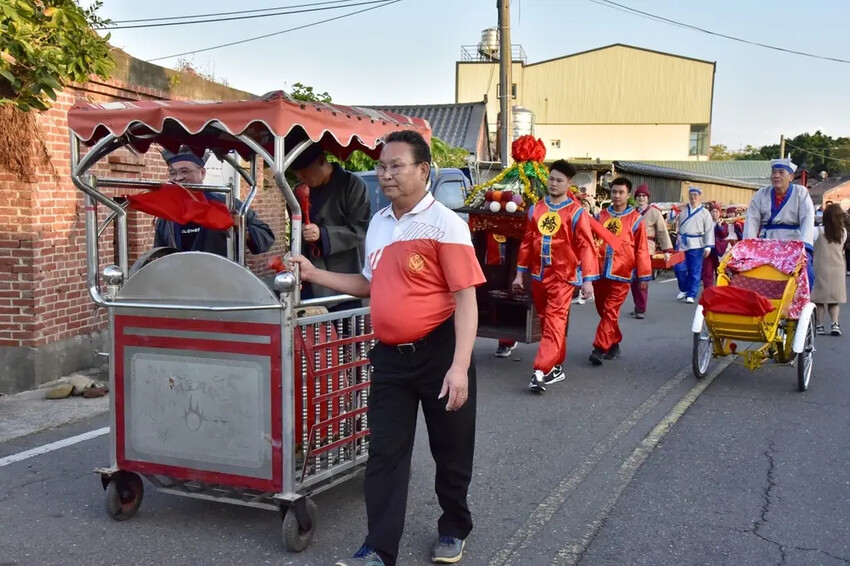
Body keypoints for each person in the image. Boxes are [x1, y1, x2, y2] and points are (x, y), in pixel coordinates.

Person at [291, 130, 483, 566]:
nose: (386, 174)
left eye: (396, 166)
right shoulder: (379, 223)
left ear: (423, 170)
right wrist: (315, 274)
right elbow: (370, 284)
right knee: (385, 453)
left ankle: (454, 526)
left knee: (450, 450)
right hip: (391, 358)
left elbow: (466, 298)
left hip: (441, 351)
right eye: (382, 166)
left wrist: (459, 366)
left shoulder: (445, 225)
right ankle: (379, 548)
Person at [512, 160, 598, 392]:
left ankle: (540, 370)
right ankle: (556, 367)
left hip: (563, 276)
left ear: (568, 184)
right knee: (547, 320)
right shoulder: (536, 209)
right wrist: (520, 274)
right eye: (551, 179)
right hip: (539, 275)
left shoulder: (576, 213)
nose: (553, 184)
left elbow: (586, 246)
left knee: (554, 322)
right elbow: (528, 243)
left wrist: (588, 279)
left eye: (559, 180)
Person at [289, 143, 371, 310]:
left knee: (346, 328)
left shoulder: (353, 185)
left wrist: (323, 234)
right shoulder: (300, 192)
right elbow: (295, 232)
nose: (303, 181)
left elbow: (359, 229)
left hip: (346, 274)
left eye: (305, 175)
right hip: (311, 276)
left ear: (321, 161)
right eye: (300, 177)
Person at [154, 146, 274, 255]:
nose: (178, 178)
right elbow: (159, 255)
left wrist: (241, 226)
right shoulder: (167, 216)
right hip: (180, 278)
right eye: (172, 173)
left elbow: (266, 238)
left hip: (221, 277)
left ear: (202, 173)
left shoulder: (227, 204)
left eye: (185, 171)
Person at [589, 178, 652, 365]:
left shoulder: (635, 219)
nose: (616, 196)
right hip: (600, 271)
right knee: (603, 310)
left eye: (621, 192)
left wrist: (643, 275)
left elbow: (641, 249)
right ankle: (614, 342)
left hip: (622, 273)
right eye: (614, 192)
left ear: (628, 195)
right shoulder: (601, 216)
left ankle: (599, 348)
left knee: (610, 310)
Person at [744, 158, 815, 285]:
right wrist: (748, 246)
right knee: (755, 273)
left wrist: (805, 247)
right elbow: (751, 220)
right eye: (774, 172)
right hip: (767, 243)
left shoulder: (801, 192)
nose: (776, 176)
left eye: (781, 172)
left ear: (791, 177)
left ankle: (800, 301)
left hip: (793, 243)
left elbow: (808, 218)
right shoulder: (761, 193)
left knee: (806, 273)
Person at [630, 184, 672, 318]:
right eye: (639, 196)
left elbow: (662, 231)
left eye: (643, 196)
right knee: (632, 279)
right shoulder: (631, 211)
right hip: (631, 248)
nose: (641, 198)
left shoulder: (655, 212)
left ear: (647, 198)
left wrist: (666, 250)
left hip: (647, 248)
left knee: (642, 278)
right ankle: (637, 305)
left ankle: (641, 308)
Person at [672, 186, 714, 304]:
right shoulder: (683, 211)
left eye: (695, 195)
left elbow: (709, 230)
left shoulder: (705, 213)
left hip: (697, 243)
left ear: (699, 196)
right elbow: (672, 221)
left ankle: (691, 294)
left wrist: (708, 246)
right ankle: (684, 288)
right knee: (678, 268)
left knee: (694, 270)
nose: (693, 197)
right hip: (682, 242)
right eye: (691, 195)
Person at [811, 203, 846, 336]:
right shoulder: (843, 233)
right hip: (838, 268)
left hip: (820, 267)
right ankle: (835, 324)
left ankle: (820, 326)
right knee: (834, 299)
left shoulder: (817, 231)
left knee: (819, 299)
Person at [701, 203, 729, 289]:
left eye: (717, 211)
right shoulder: (706, 223)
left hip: (719, 251)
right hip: (708, 250)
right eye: (713, 211)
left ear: (720, 213)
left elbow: (724, 234)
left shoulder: (723, 223)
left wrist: (719, 226)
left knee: (720, 271)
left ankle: (720, 289)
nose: (715, 213)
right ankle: (708, 290)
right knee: (707, 271)